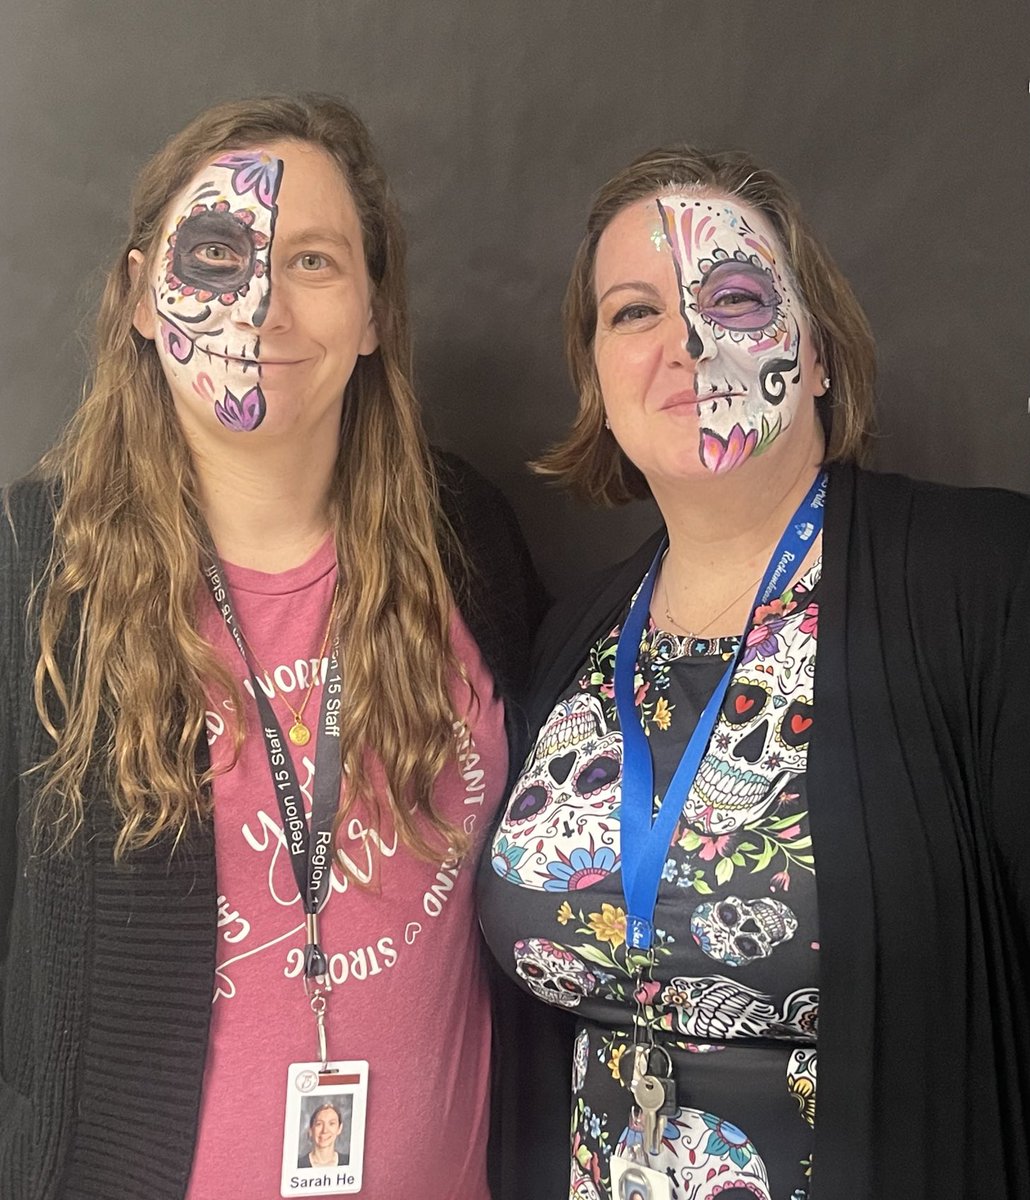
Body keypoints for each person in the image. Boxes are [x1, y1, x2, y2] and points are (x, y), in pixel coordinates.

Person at [0, 94, 540, 1200]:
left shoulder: (465, 539)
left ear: (375, 310)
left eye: (312, 261)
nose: (260, 302)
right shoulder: (38, 569)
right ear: (143, 295)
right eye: (217, 254)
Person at [478, 145, 1030, 1199]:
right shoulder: (572, 638)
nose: (683, 342)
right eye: (633, 312)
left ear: (816, 352)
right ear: (596, 375)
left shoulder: (984, 586)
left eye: (729, 295)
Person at [298, 1102, 349, 1169]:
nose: (324, 1130)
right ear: (310, 1129)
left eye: (331, 1123)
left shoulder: (348, 1162)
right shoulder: (299, 1165)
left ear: (339, 1128)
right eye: (319, 1124)